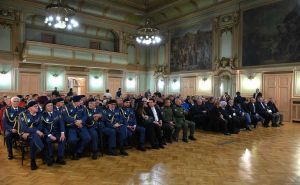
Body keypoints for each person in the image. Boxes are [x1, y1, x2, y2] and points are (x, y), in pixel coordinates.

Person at [62, 95, 91, 160]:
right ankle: (72, 153)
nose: (81, 102)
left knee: (87, 138)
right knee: (72, 140)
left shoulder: (83, 107)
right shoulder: (66, 107)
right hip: (71, 126)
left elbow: (85, 116)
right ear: (74, 102)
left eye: (81, 101)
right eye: (79, 101)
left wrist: (81, 121)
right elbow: (65, 117)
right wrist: (75, 121)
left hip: (81, 126)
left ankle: (78, 152)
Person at [19, 101, 45, 170]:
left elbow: (41, 126)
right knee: (34, 137)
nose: (37, 108)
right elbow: (23, 128)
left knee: (33, 141)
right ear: (30, 108)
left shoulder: (39, 114)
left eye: (37, 106)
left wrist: (32, 131)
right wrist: (36, 131)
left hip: (32, 134)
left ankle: (33, 161)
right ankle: (42, 150)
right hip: (24, 135)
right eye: (35, 106)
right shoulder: (23, 114)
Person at [41, 101, 66, 165]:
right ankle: (50, 157)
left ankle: (60, 157)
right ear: (45, 107)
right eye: (48, 106)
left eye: (51, 105)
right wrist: (49, 135)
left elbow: (61, 123)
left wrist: (62, 133)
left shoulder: (57, 113)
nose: (50, 107)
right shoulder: (43, 114)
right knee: (48, 141)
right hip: (48, 133)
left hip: (57, 132)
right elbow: (43, 127)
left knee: (62, 139)